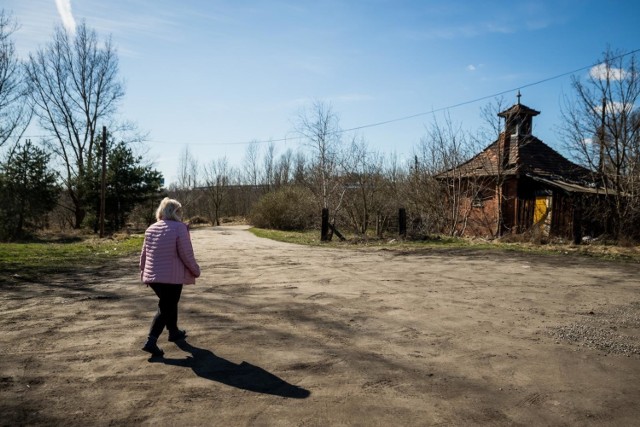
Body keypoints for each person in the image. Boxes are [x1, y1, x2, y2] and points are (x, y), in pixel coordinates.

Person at [139, 197, 201, 357]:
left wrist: (142, 272)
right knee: (166, 307)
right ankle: (151, 341)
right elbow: (186, 254)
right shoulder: (179, 228)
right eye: (179, 211)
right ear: (174, 212)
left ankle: (173, 331)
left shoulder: (151, 228)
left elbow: (144, 255)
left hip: (154, 278)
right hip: (171, 277)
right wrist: (195, 270)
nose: (181, 214)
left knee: (169, 303)